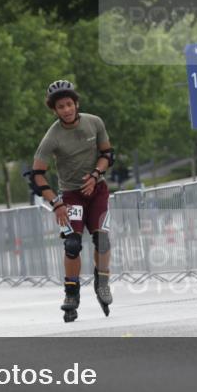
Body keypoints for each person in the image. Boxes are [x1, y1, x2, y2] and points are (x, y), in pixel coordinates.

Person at [25, 80, 115, 322]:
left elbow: (107, 154)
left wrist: (96, 175)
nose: (65, 110)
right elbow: (37, 174)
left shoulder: (94, 122)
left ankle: (102, 282)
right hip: (72, 197)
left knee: (102, 240)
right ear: (54, 111)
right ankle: (71, 294)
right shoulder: (52, 137)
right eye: (60, 107)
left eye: (68, 104)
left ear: (76, 103)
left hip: (97, 191)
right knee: (72, 245)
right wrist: (56, 203)